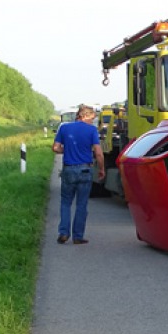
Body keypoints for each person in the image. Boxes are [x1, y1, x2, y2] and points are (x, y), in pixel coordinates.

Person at [52, 104, 105, 244]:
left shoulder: (64, 128)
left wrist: (67, 150)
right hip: (85, 170)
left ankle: (63, 233)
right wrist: (101, 169)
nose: (92, 122)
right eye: (91, 119)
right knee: (81, 204)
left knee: (65, 203)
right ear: (84, 116)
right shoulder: (92, 130)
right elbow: (98, 153)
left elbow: (55, 148)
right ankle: (78, 236)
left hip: (69, 170)